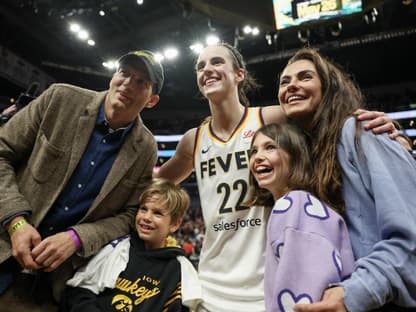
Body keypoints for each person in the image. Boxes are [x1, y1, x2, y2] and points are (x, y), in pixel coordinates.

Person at [156, 42, 397, 312]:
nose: (207, 70)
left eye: (216, 62)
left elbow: (328, 113)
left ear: (239, 74)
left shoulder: (270, 118)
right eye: (201, 66)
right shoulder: (193, 140)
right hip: (211, 283)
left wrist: (378, 128)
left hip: (268, 281)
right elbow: (154, 186)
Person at [0, 50, 164, 310]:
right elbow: (2, 152)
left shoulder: (146, 149)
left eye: (141, 82)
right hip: (4, 243)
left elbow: (130, 215)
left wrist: (77, 238)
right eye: (124, 73)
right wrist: (16, 222)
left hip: (54, 283)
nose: (128, 83)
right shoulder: (60, 98)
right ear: (113, 76)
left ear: (152, 100)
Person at [272, 48, 416, 311]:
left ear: (329, 89)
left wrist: (356, 293)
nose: (292, 85)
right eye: (284, 82)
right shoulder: (304, 160)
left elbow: (410, 235)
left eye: (305, 77)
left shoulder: (360, 130)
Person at [248, 122, 355, 312]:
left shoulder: (294, 205)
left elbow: (302, 300)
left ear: (295, 155)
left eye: (270, 147)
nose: (257, 157)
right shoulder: (303, 205)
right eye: (253, 151)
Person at [60, 178, 202, 312]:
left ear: (175, 224)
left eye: (157, 213)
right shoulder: (116, 247)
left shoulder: (180, 268)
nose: (146, 217)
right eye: (143, 209)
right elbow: (79, 293)